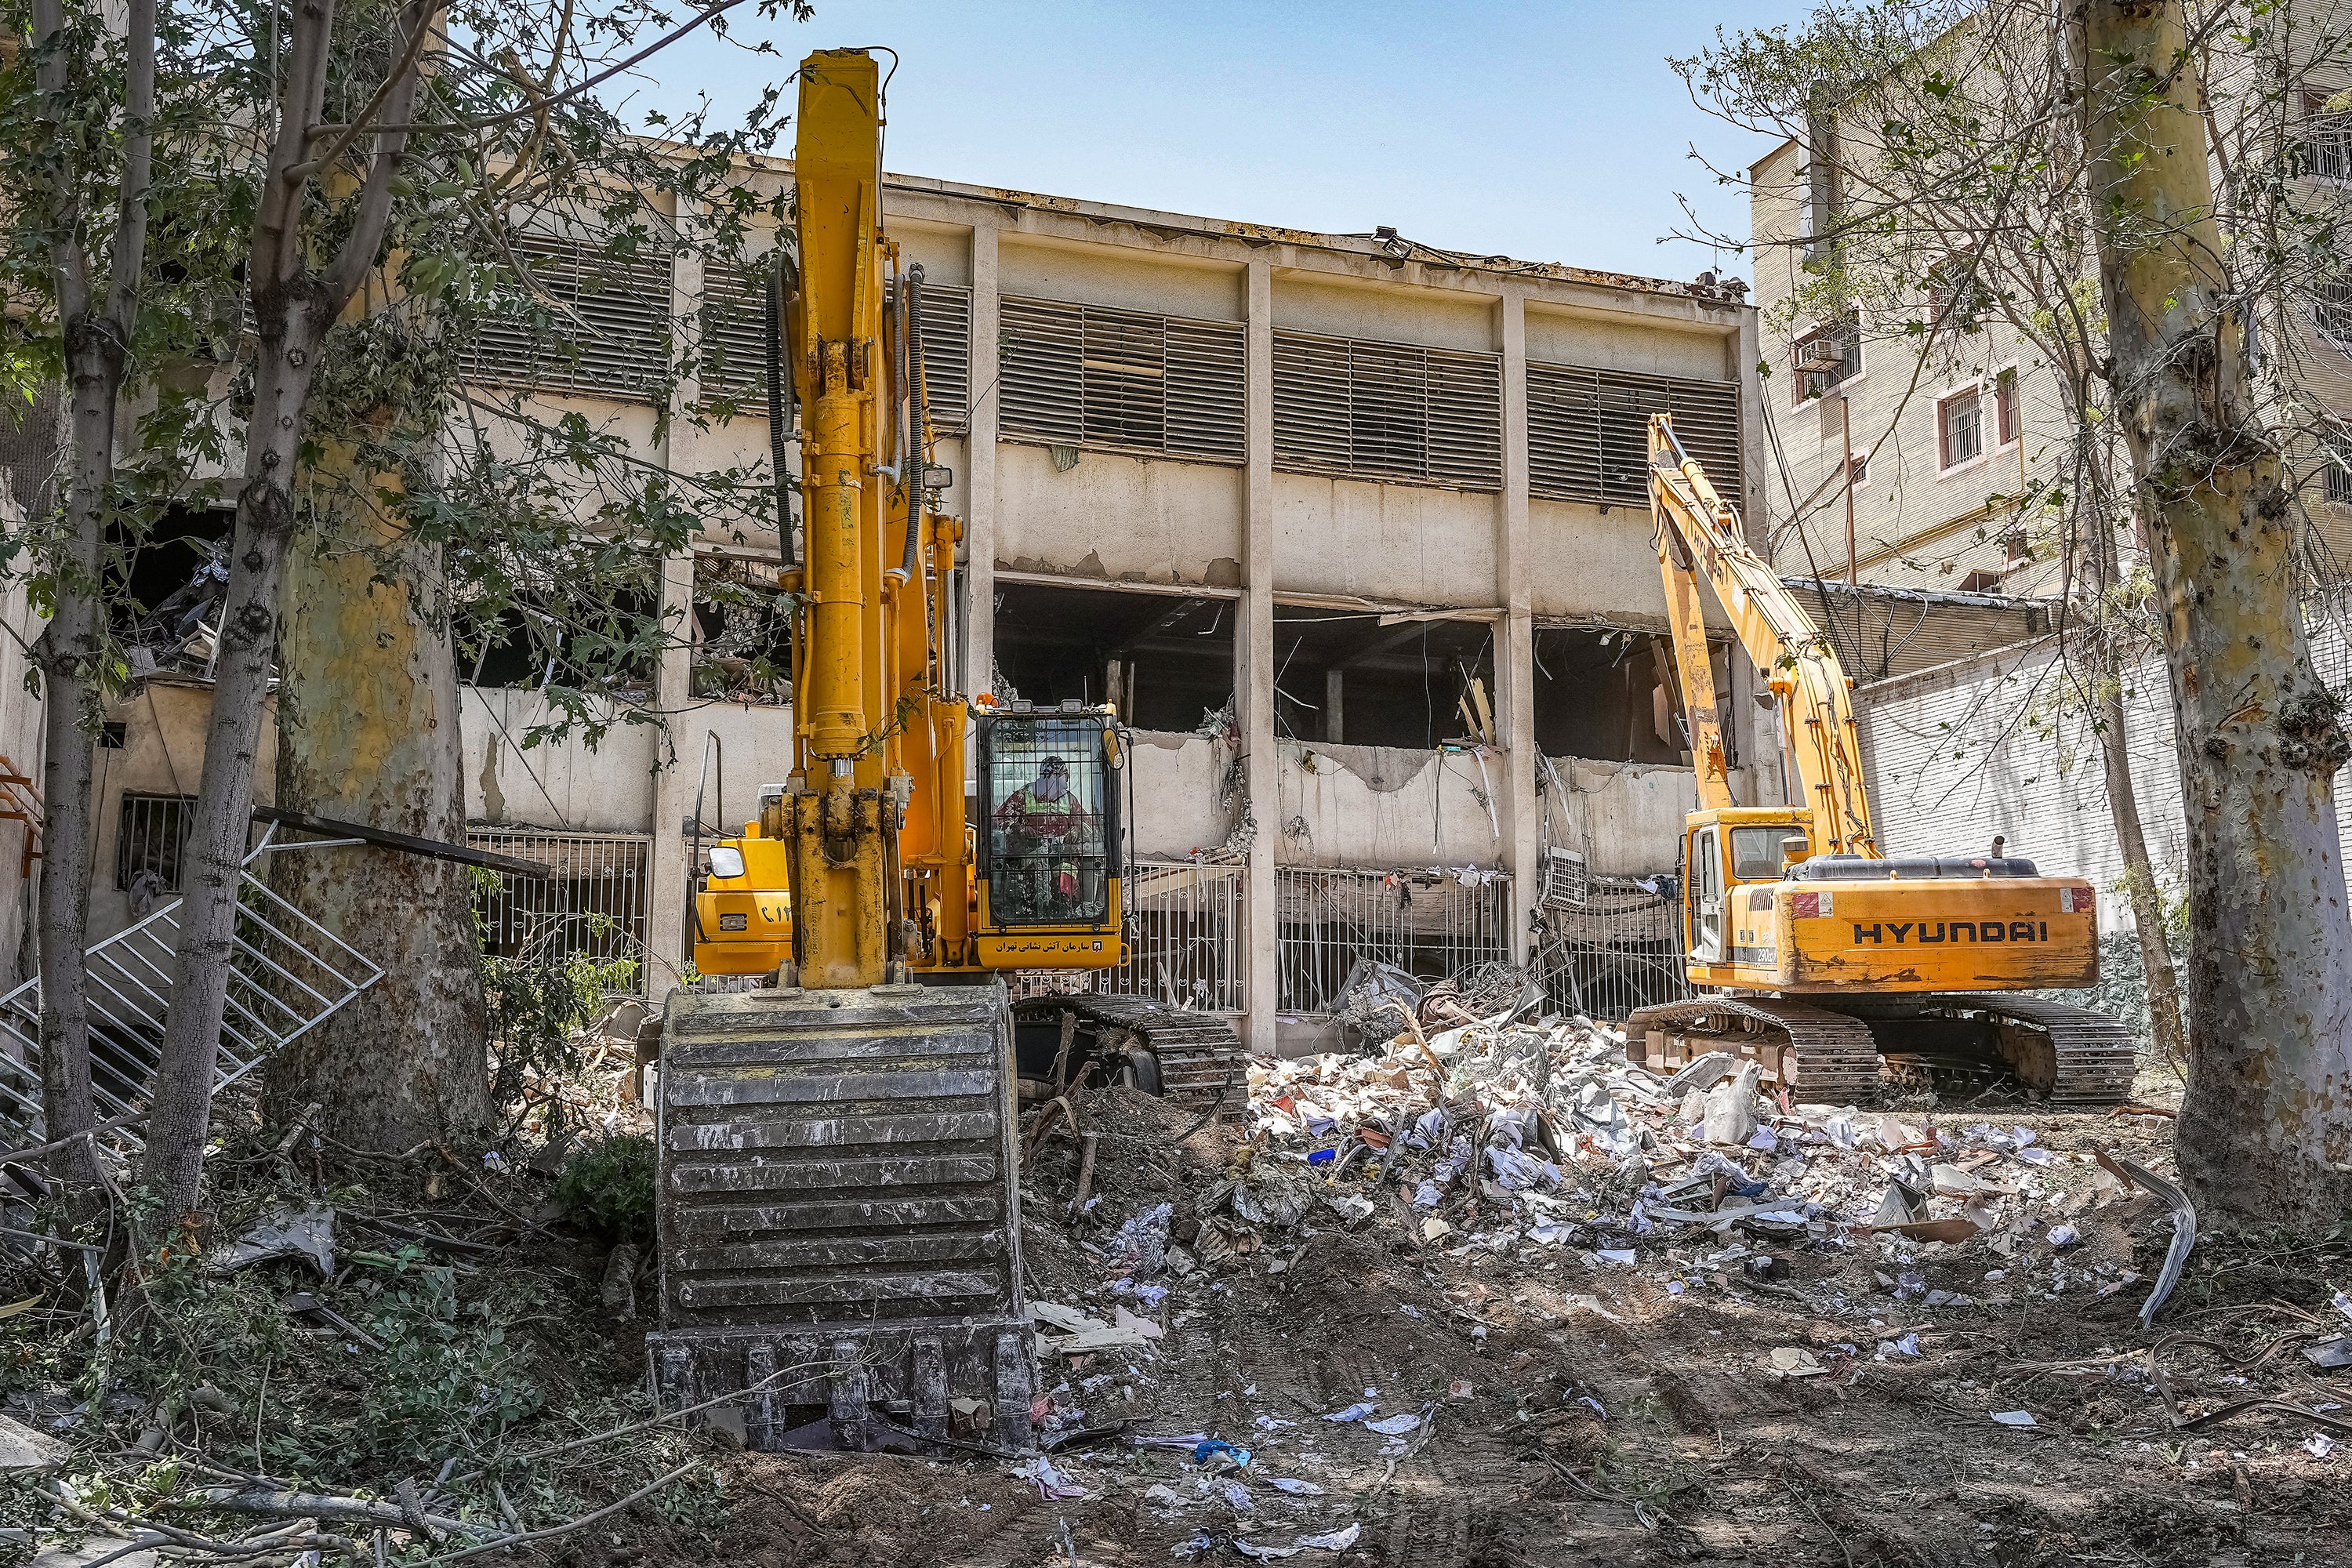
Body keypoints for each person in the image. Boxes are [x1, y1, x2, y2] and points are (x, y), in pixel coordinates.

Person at [994, 754, 1095, 918]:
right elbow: (999, 819)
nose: (1068, 779)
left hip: (1061, 856)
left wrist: (1077, 829)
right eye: (1065, 775)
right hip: (1029, 856)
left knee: (1065, 876)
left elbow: (1087, 824)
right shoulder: (1023, 796)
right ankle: (1031, 913)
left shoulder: (1069, 800)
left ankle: (1064, 910)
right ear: (1054, 776)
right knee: (1033, 891)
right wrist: (1020, 828)